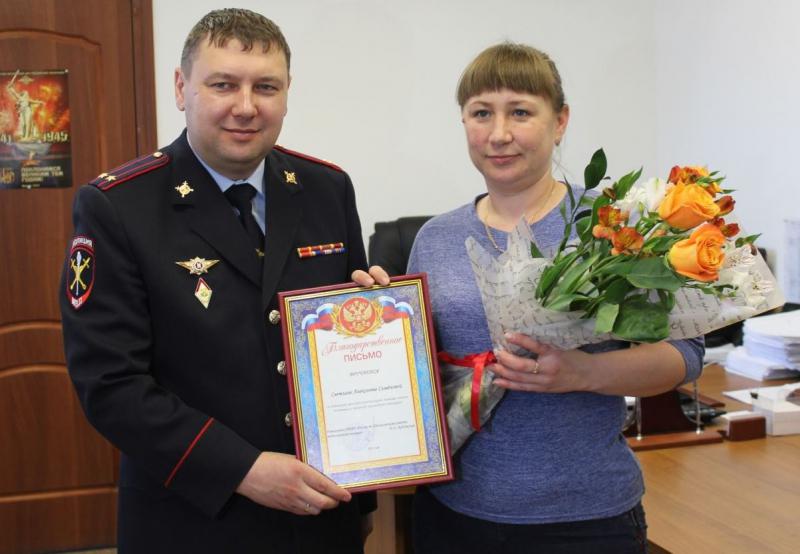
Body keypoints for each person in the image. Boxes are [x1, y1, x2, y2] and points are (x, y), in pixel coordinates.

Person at [59, 8, 387, 553]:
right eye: (223, 84)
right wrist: (244, 470)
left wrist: (365, 500)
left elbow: (343, 355)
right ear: (181, 88)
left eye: (266, 87)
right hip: (193, 520)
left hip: (322, 515)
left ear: (287, 93)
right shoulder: (118, 207)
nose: (246, 106)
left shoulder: (326, 188)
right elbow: (110, 384)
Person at [407, 42, 704, 553]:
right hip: (454, 515)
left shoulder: (614, 226)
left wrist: (583, 373)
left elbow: (686, 354)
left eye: (521, 112)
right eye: (481, 113)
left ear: (560, 121)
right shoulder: (434, 238)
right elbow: (414, 370)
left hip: (586, 520)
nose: (499, 134)